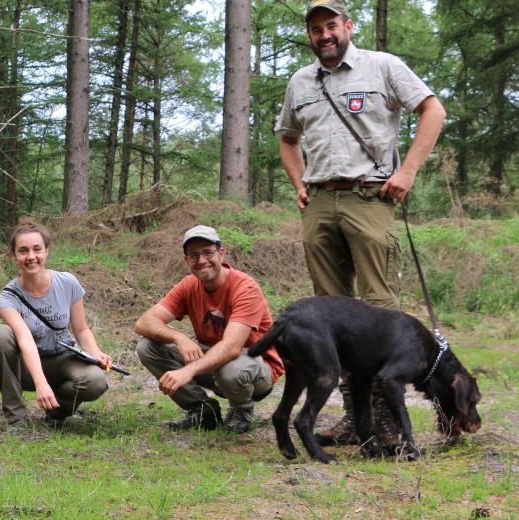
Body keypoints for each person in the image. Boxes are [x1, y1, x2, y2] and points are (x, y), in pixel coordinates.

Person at [275, 0, 446, 447]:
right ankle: (356, 421)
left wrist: (406, 172)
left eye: (331, 25)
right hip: (319, 202)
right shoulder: (301, 81)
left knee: (380, 310)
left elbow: (433, 111)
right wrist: (298, 183)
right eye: (316, 29)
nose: (324, 35)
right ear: (310, 36)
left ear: (348, 26)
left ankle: (387, 424)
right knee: (332, 320)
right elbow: (288, 138)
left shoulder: (383, 67)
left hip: (371, 198)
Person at [133, 226, 284, 434]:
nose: (201, 260)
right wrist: (178, 337)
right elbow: (144, 322)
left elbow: (231, 347)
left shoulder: (245, 288)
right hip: (217, 365)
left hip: (256, 368)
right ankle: (202, 411)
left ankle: (241, 410)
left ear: (221, 254)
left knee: (231, 369)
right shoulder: (189, 286)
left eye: (208, 252)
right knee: (147, 346)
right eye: (194, 255)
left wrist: (188, 370)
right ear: (187, 261)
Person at [0, 222, 111, 433]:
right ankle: (16, 418)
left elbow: (81, 329)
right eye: (23, 251)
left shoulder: (68, 282)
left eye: (37, 249)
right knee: (0, 335)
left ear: (46, 251)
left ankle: (57, 412)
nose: (31, 256)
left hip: (63, 357)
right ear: (14, 256)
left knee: (96, 381)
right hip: (26, 366)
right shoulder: (8, 297)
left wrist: (96, 352)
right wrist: (40, 383)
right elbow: (24, 338)